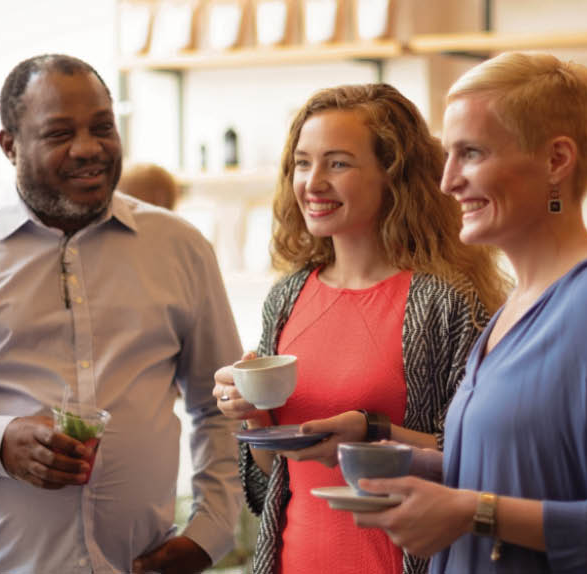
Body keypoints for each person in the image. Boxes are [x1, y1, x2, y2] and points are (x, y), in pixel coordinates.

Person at [0, 54, 244, 574]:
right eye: (60, 133)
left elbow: (221, 407)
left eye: (102, 127)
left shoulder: (179, 246)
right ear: (9, 145)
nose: (88, 148)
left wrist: (211, 532)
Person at [212, 84, 509, 574]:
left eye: (338, 163)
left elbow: (482, 460)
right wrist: (250, 414)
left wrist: (377, 433)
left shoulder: (446, 300)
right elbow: (275, 476)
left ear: (395, 175)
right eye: (302, 163)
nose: (312, 183)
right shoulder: (285, 298)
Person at [353, 53, 587, 573]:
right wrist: (373, 447)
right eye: (447, 155)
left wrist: (474, 512)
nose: (447, 182)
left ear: (556, 160)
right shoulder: (510, 308)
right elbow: (507, 471)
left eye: (471, 154)